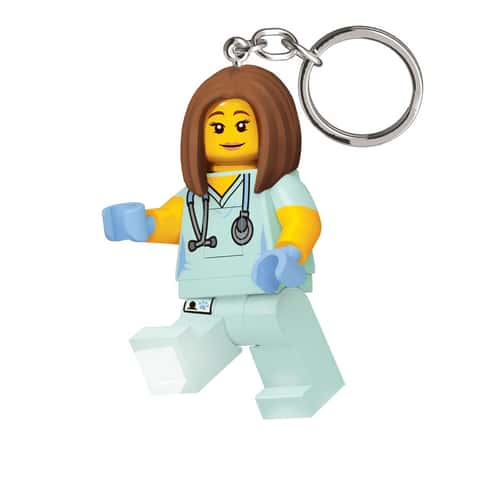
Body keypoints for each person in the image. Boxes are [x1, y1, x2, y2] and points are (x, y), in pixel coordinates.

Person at [102, 65, 343, 419]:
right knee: (175, 353)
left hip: (267, 292)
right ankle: (182, 371)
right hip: (205, 298)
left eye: (242, 125)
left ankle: (297, 396)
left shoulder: (278, 186)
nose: (229, 135)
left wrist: (288, 252)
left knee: (286, 356)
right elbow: (173, 223)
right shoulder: (195, 195)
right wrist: (140, 225)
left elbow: (303, 220)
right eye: (217, 127)